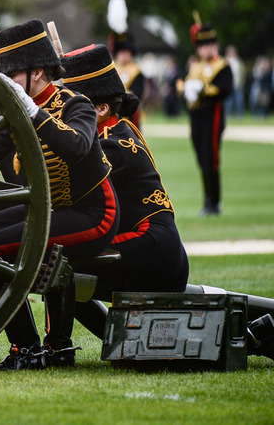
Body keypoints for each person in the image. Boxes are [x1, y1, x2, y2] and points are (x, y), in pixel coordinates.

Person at [0, 19, 119, 369]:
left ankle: (27, 348)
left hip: (92, 214)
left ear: (37, 72)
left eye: (13, 76)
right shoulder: (16, 114)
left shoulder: (75, 104)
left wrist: (34, 113)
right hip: (47, 211)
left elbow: (77, 147)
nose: (7, 83)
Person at [42, 44, 189, 350]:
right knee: (61, 261)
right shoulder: (113, 130)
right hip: (155, 247)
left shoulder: (111, 143)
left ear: (100, 109)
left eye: (74, 106)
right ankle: (119, 341)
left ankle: (58, 347)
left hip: (151, 247)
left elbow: (61, 193)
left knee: (58, 263)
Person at [176, 20, 233, 216]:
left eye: (208, 45)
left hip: (212, 115)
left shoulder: (222, 66)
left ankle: (214, 202)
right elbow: (182, 84)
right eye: (201, 46)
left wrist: (203, 90)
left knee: (211, 158)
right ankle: (208, 199)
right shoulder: (195, 67)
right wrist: (184, 90)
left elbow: (225, 89)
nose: (205, 49)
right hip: (196, 117)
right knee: (201, 158)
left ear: (215, 46)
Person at [109, 31, 146, 128]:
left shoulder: (136, 71)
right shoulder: (111, 69)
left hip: (130, 109)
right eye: (121, 52)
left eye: (126, 52)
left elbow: (138, 93)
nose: (123, 55)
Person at [224, 45, 245, 117]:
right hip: (228, 86)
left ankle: (240, 115)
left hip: (237, 85)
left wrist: (241, 82)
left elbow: (242, 73)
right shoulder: (224, 62)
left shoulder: (239, 62)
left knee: (239, 101)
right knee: (228, 102)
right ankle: (229, 115)